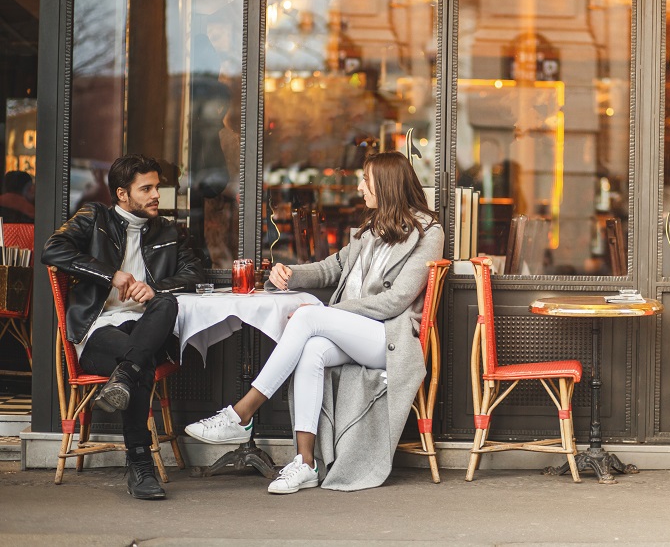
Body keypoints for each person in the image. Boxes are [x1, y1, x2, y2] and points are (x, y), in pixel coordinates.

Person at [185, 151, 444, 494]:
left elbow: (396, 300)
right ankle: (305, 463)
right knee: (313, 349)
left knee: (308, 319)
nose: (359, 185)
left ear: (386, 184)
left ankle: (241, 413)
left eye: (365, 179)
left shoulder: (428, 232)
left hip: (390, 339)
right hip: (357, 333)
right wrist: (291, 275)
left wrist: (330, 314)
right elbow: (331, 267)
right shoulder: (368, 230)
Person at [42, 154, 203, 500]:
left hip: (147, 327)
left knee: (166, 304)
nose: (156, 195)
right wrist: (110, 274)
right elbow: (53, 250)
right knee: (140, 363)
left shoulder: (169, 231)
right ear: (122, 194)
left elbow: (195, 275)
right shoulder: (94, 218)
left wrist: (155, 289)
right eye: (146, 188)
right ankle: (140, 464)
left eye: (157, 187)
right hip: (99, 331)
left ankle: (124, 377)